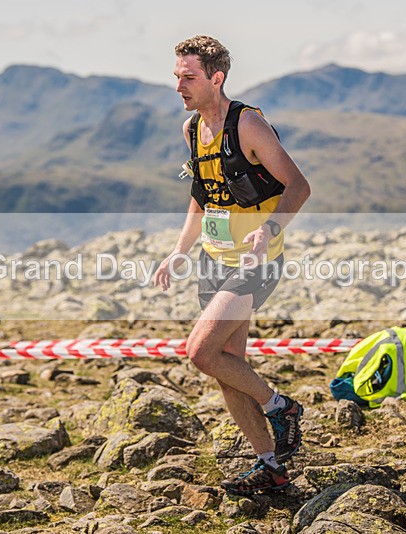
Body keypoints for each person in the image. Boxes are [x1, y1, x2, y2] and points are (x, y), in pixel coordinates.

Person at [153, 36, 311, 495]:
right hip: (213, 259)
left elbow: (298, 186)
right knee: (227, 365)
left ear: (216, 78)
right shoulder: (190, 130)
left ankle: (281, 406)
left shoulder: (248, 125)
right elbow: (201, 197)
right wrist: (180, 250)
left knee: (200, 352)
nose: (179, 86)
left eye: (189, 77)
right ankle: (270, 466)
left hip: (256, 263)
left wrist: (272, 229)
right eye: (177, 76)